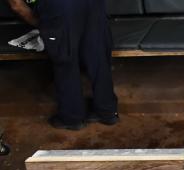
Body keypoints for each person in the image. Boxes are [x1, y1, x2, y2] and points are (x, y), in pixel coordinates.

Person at [6, 0, 118, 130]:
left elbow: (16, 4)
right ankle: (107, 112)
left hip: (59, 7)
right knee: (98, 57)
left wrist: (43, 24)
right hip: (94, 4)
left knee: (65, 61)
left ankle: (72, 118)